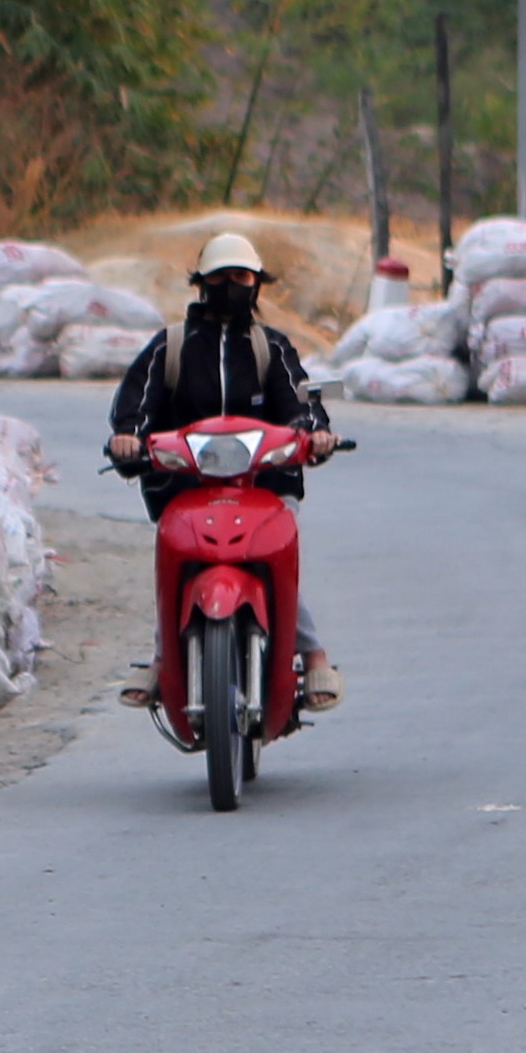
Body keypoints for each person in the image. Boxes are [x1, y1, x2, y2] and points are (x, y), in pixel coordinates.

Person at [103, 231, 341, 712]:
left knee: (275, 561)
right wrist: (126, 436)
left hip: (266, 485)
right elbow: (134, 405)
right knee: (177, 563)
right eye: (220, 277)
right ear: (201, 283)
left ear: (257, 284)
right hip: (183, 485)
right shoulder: (169, 347)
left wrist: (314, 434)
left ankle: (313, 654)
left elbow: (299, 402)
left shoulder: (270, 347)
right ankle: (160, 658)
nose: (231, 285)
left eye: (241, 276)